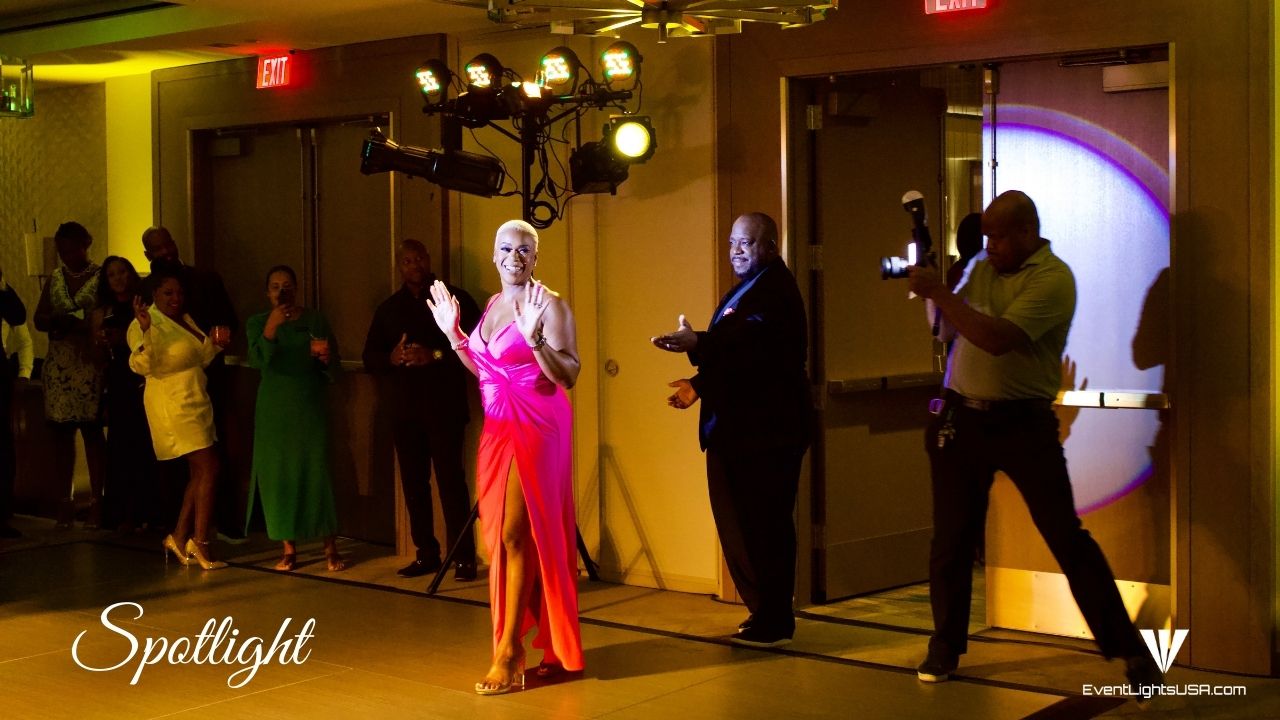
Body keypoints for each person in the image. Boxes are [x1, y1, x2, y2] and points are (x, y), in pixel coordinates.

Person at [906, 190, 1162, 692]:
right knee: (951, 539)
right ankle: (946, 645)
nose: (990, 247)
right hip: (962, 418)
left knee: (1065, 535)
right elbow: (946, 333)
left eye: (999, 237)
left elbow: (998, 339)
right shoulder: (980, 266)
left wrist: (942, 293)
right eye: (986, 237)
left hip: (1023, 423)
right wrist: (938, 293)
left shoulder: (1054, 278)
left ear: (1027, 232)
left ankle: (1128, 649)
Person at [426, 219, 582, 695]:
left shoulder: (550, 305)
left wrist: (535, 340)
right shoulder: (493, 304)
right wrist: (454, 335)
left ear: (535, 258)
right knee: (501, 541)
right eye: (507, 249)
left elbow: (568, 374)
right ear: (494, 255)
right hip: (496, 431)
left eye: (524, 250)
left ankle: (509, 651)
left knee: (514, 535)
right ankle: (541, 642)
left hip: (537, 427)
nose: (515, 257)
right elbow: (487, 372)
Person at [652, 212, 813, 648]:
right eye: (731, 243)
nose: (736, 251)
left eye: (747, 242)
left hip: (766, 433)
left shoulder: (776, 291)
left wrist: (699, 348)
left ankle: (774, 619)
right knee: (741, 526)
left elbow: (755, 352)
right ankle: (763, 612)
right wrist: (699, 375)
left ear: (771, 246)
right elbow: (736, 353)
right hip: (737, 432)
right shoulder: (748, 287)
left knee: (765, 526)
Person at [362, 239, 479, 581]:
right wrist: (392, 357)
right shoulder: (389, 309)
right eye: (408, 261)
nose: (415, 265)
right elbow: (370, 356)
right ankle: (426, 553)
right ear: (400, 266)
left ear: (428, 260)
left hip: (444, 408)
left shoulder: (455, 299)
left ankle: (464, 557)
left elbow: (478, 348)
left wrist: (435, 355)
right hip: (404, 411)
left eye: (419, 259)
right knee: (414, 485)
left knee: (451, 482)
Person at [140, 226, 241, 540]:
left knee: (210, 462)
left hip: (208, 382)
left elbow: (224, 324)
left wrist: (218, 341)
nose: (166, 252)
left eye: (168, 244)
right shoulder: (145, 296)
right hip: (173, 396)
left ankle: (197, 531)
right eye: (158, 249)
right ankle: (191, 536)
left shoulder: (205, 279)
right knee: (199, 465)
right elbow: (142, 359)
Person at [128, 268, 230, 570]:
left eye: (180, 293)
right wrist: (146, 331)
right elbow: (141, 364)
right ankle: (201, 542)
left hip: (196, 398)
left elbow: (198, 357)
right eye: (168, 293)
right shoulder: (144, 323)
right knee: (209, 466)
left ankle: (178, 535)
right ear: (154, 295)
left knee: (200, 471)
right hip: (173, 403)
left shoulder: (185, 319)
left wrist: (216, 344)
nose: (176, 298)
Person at [245, 265, 345, 572]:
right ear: (268, 293)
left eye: (286, 285)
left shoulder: (315, 320)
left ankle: (330, 546)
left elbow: (334, 368)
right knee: (279, 476)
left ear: (296, 289)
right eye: (275, 286)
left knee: (316, 472)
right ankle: (288, 548)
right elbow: (257, 360)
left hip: (308, 405)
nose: (281, 291)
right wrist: (271, 328)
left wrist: (326, 360)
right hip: (274, 410)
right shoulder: (258, 322)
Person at [33, 221, 106, 529]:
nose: (67, 257)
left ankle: (98, 503)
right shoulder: (56, 278)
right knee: (61, 435)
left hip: (88, 362)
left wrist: (81, 324)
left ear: (85, 245)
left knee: (92, 433)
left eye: (73, 250)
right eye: (62, 251)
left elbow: (106, 316)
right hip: (60, 363)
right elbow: (38, 318)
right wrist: (55, 320)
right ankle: (64, 501)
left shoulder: (100, 276)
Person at [91, 257, 156, 533]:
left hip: (142, 377)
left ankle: (147, 511)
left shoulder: (143, 305)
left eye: (122, 272)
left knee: (145, 444)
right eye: (112, 275)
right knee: (120, 445)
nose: (118, 278)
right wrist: (102, 342)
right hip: (118, 378)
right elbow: (97, 357)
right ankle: (120, 513)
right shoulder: (103, 311)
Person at [0, 268, 32, 539]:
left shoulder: (3, 293)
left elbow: (19, 321)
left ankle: (2, 513)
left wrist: (24, 371)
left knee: (1, 444)